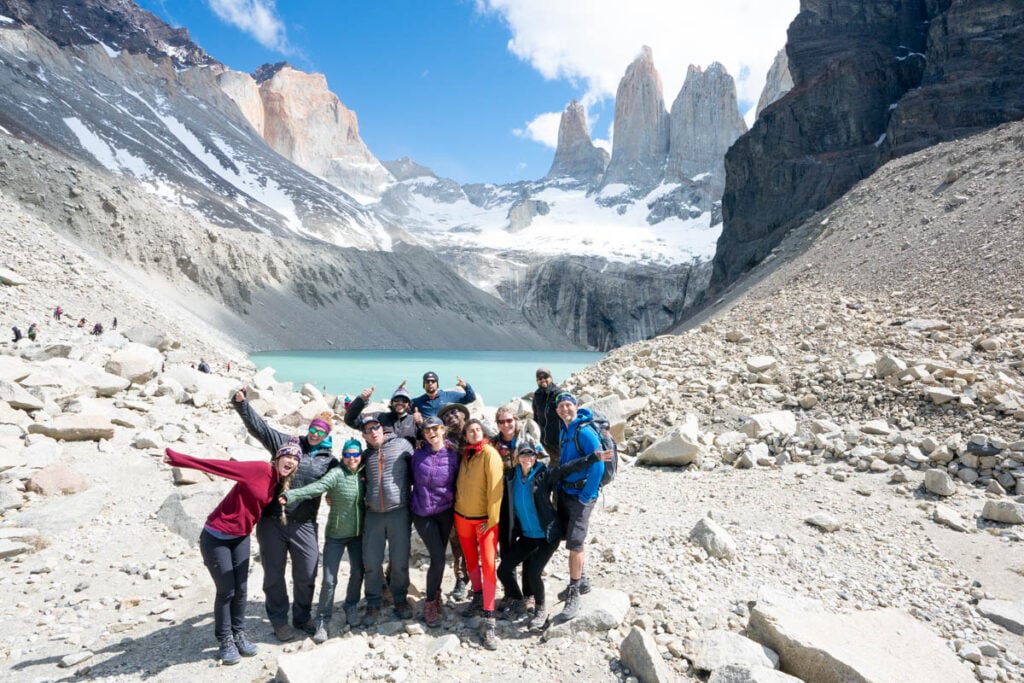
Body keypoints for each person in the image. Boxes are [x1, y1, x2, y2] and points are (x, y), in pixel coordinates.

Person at [163, 443, 301, 665]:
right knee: (227, 590)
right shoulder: (259, 469)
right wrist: (178, 459)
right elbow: (220, 467)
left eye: (296, 459)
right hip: (216, 536)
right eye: (288, 456)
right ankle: (225, 640)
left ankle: (239, 634)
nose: (291, 461)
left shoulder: (279, 482)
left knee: (242, 589)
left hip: (241, 538)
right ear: (277, 458)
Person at [232, 390, 337, 642]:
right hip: (272, 521)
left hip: (304, 524)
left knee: (308, 571)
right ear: (309, 428)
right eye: (313, 429)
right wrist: (242, 404)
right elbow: (260, 429)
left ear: (326, 435)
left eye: (321, 432)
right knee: (274, 573)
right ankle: (279, 620)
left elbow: (343, 481)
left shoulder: (329, 461)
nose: (315, 434)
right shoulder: (287, 443)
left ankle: (301, 617)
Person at [497, 443, 613, 631]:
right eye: (523, 454)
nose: (527, 458)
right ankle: (518, 599)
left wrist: (593, 458)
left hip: (547, 534)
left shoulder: (544, 474)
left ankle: (540, 609)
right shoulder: (511, 477)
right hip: (527, 535)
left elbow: (566, 468)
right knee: (503, 569)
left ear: (535, 457)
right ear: (517, 457)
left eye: (530, 454)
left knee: (534, 572)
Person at [281, 438, 366, 642]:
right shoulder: (336, 473)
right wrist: (291, 495)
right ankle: (322, 619)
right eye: (347, 454)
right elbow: (318, 487)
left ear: (360, 455)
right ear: (343, 456)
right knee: (329, 580)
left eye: (355, 454)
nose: (352, 458)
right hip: (336, 535)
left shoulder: (365, 473)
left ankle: (351, 604)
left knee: (357, 572)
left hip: (358, 535)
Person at [553, 391, 605, 621]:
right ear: (557, 411)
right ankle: (581, 580)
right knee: (569, 536)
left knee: (575, 542)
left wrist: (587, 495)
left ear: (576, 406)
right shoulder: (566, 431)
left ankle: (574, 590)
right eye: (561, 406)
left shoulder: (584, 431)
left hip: (581, 495)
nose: (565, 409)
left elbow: (599, 464)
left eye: (568, 405)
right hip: (567, 492)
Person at [453, 419, 503, 650]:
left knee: (489, 565)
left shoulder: (490, 454)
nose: (473, 433)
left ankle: (489, 615)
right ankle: (477, 596)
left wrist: (492, 520)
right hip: (462, 517)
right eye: (469, 431)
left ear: (482, 432)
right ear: (465, 435)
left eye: (477, 430)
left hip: (484, 521)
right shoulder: (466, 454)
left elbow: (496, 488)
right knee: (470, 561)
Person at [359, 414, 415, 622]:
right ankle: (373, 602)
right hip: (373, 514)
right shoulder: (365, 455)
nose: (372, 432)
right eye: (367, 430)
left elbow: (419, 468)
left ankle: (399, 598)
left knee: (399, 560)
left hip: (399, 511)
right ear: (364, 436)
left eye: (375, 428)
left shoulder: (402, 445)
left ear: (382, 429)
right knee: (372, 562)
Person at [410, 416, 460, 627]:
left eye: (435, 429)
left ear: (443, 430)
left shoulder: (454, 455)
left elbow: (460, 481)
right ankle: (430, 602)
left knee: (439, 559)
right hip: (422, 513)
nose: (432, 433)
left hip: (445, 512)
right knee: (438, 557)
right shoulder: (417, 454)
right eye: (427, 430)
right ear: (424, 435)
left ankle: (436, 593)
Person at [438, 402, 471, 598]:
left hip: (476, 497)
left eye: (454, 412)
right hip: (452, 499)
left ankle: (477, 579)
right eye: (446, 415)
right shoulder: (444, 440)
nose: (451, 416)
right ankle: (460, 578)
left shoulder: (476, 432)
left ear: (463, 415)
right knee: (456, 541)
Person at [344, 385, 418, 443]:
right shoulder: (379, 417)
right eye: (397, 399)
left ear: (408, 404)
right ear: (391, 402)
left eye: (404, 400)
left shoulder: (414, 421)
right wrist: (361, 399)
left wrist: (421, 424)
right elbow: (351, 420)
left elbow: (426, 437)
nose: (400, 403)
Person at [412, 371, 477, 420]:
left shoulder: (449, 395)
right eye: (427, 381)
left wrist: (466, 386)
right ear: (424, 385)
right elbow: (404, 406)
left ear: (437, 384)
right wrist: (401, 392)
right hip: (429, 432)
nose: (430, 383)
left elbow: (471, 398)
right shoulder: (418, 401)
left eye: (433, 381)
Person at [532, 368, 563, 466]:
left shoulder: (559, 394)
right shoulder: (537, 395)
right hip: (544, 442)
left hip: (558, 442)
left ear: (551, 378)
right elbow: (536, 417)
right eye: (540, 378)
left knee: (561, 467)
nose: (543, 380)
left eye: (545, 377)